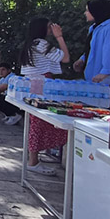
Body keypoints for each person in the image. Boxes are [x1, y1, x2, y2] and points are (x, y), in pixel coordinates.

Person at [19, 17, 71, 176]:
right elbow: (65, 58)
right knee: (40, 123)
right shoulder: (41, 44)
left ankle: (33, 158)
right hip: (42, 84)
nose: (51, 29)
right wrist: (59, 37)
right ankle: (33, 160)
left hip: (33, 84)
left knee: (36, 122)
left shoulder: (31, 44)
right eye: (49, 27)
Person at [73, 0, 110, 106]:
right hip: (95, 82)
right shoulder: (96, 28)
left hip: (108, 83)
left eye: (88, 10)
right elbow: (92, 49)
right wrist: (82, 59)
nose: (85, 13)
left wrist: (105, 72)